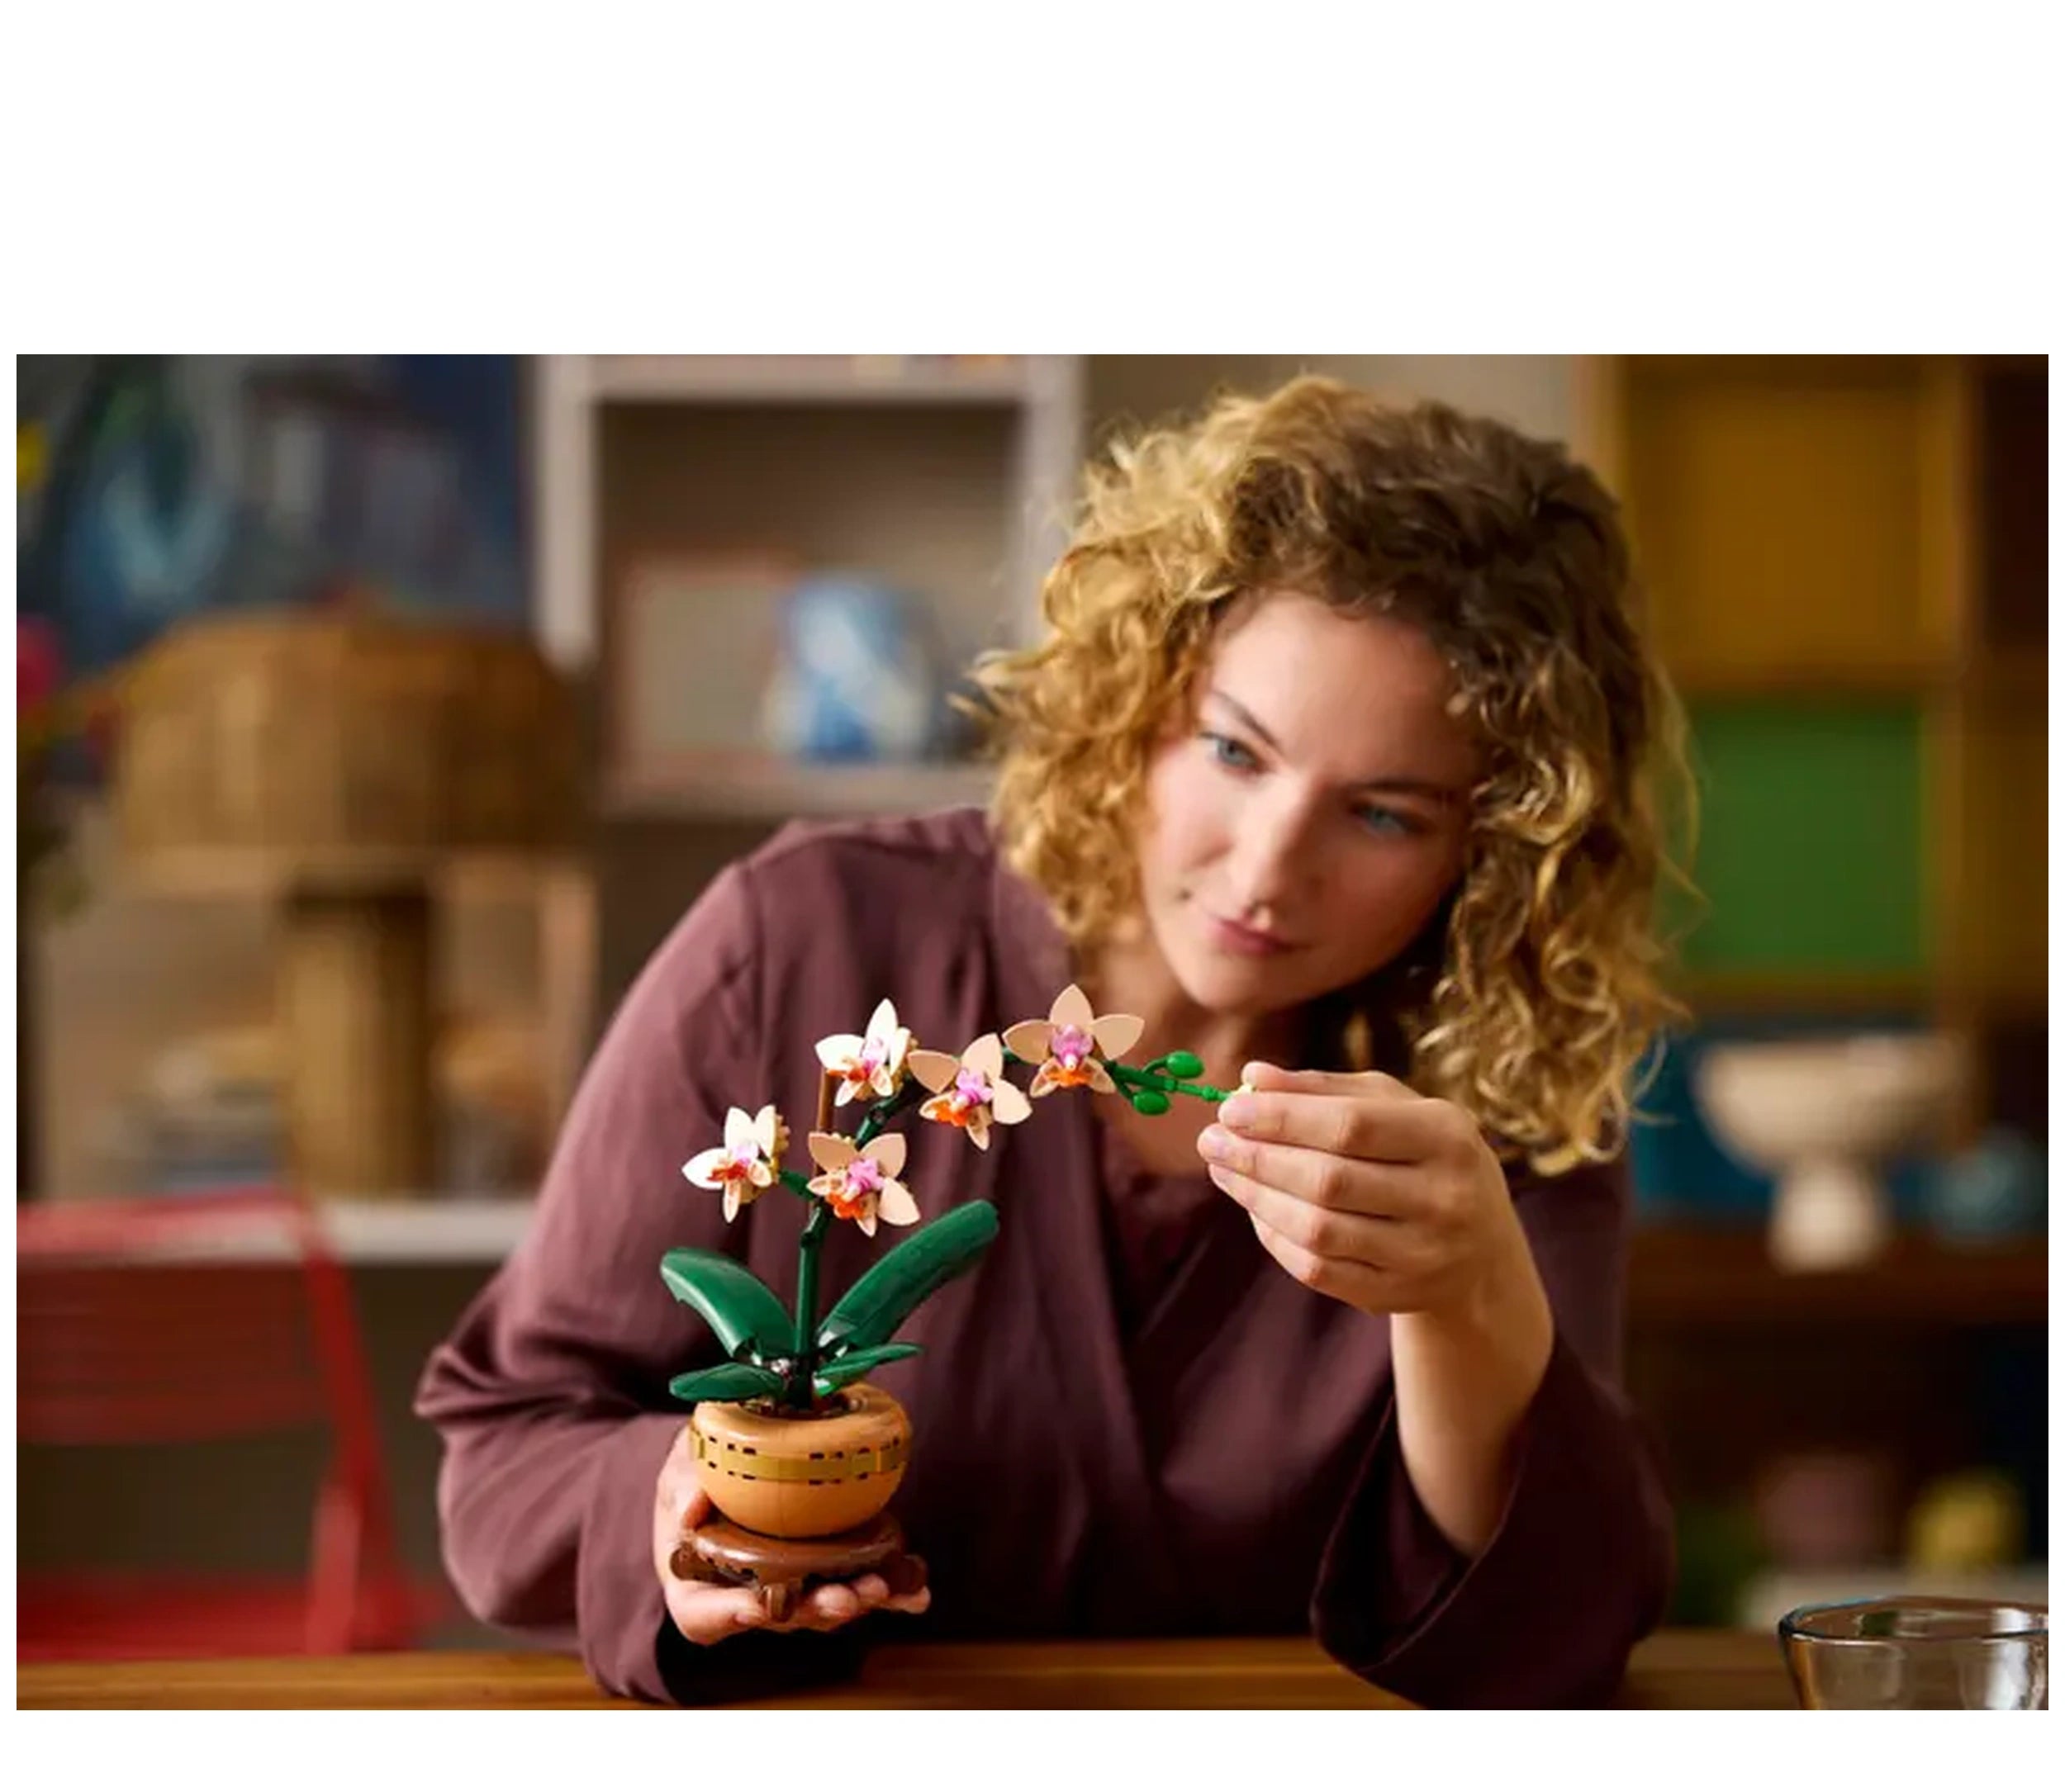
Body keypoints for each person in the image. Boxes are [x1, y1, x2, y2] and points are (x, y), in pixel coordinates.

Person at [416, 376, 1688, 1707]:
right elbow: (509, 1457)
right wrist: (681, 1514)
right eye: (1234, 752)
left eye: (1384, 815)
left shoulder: (1505, 1071)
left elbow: (1566, 1632)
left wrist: (1467, 1300)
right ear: (1139, 691)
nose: (1267, 869)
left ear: (1496, 851)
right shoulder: (805, 942)